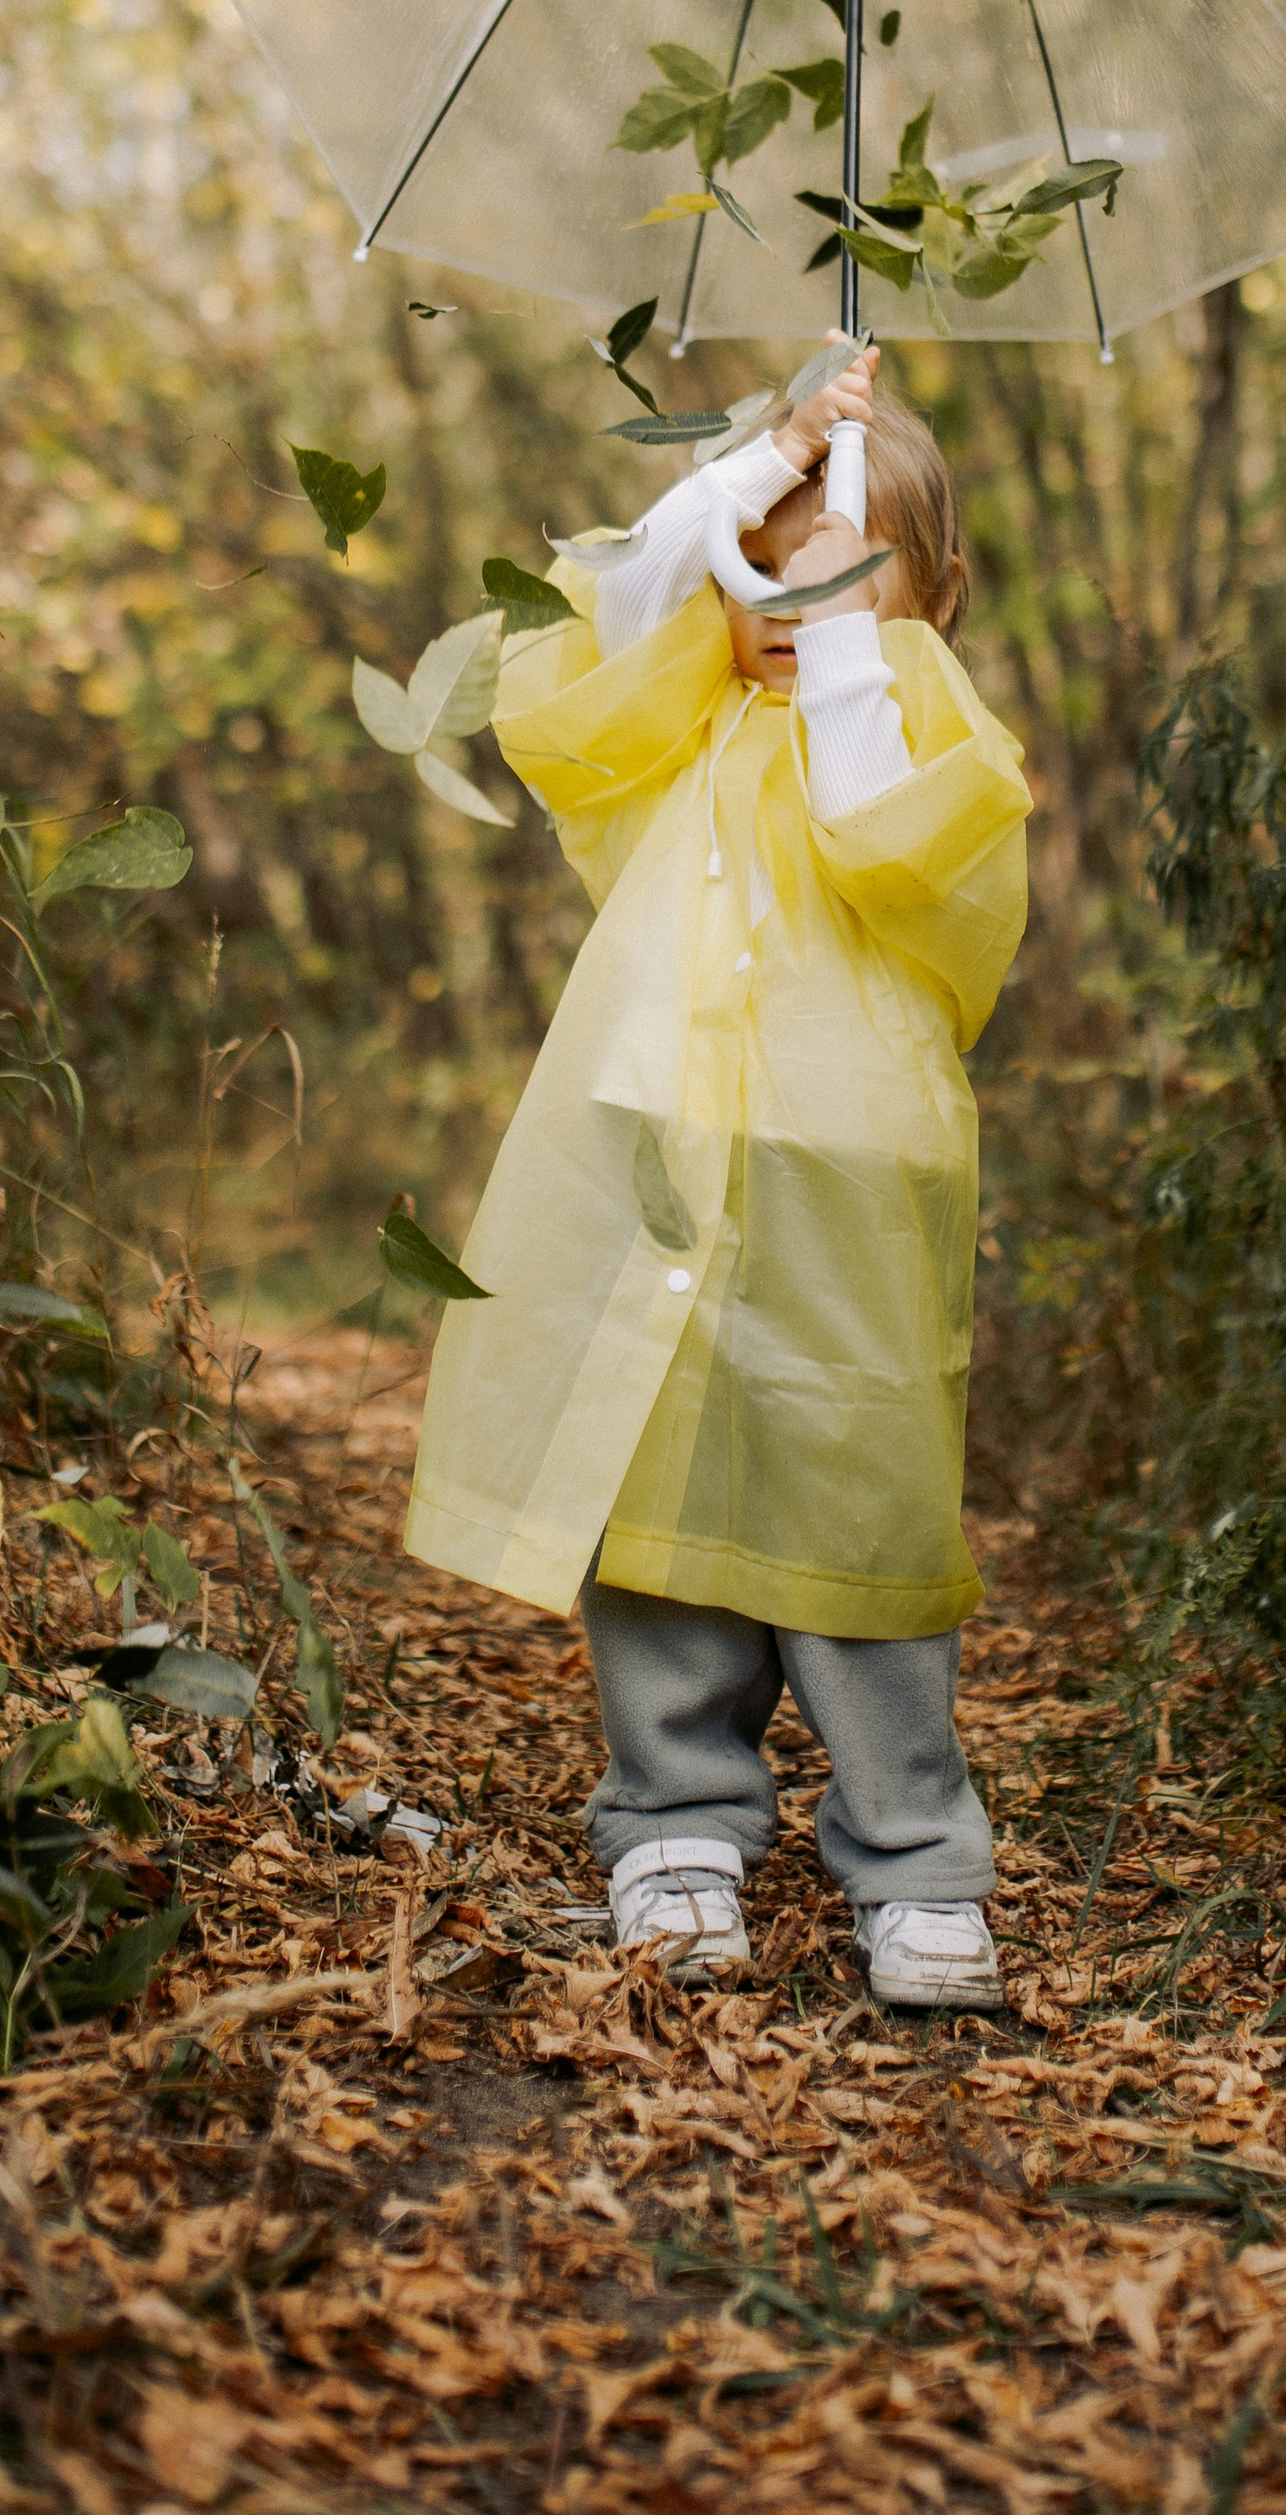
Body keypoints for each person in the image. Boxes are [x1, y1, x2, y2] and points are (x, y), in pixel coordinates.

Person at [401, 345, 1032, 2011]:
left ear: (932, 593)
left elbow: (893, 834)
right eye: (778, 542)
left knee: (857, 1475)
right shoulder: (674, 710)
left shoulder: (917, 713)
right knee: (653, 1468)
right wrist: (758, 473)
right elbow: (613, 605)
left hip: (845, 1157)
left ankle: (914, 1850)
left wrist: (839, 643)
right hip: (658, 1136)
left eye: (855, 547)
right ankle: (675, 1816)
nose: (797, 568)